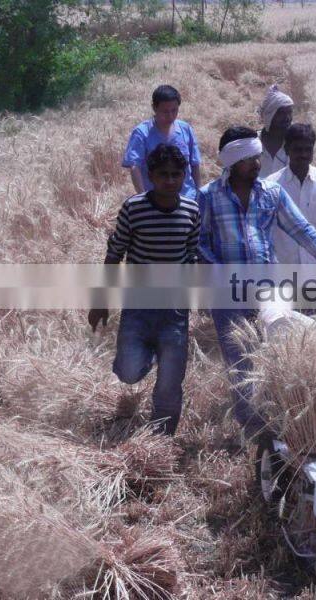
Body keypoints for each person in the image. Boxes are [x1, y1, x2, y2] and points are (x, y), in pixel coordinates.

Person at [197, 126, 316, 439]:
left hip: (269, 288)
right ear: (232, 162)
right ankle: (255, 433)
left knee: (278, 350)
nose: (257, 163)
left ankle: (282, 422)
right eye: (250, 159)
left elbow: (302, 230)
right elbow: (198, 241)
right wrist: (217, 268)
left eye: (257, 157)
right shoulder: (208, 197)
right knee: (241, 363)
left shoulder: (272, 194)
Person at [89, 144, 201, 436]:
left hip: (174, 309)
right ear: (150, 176)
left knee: (170, 382)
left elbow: (191, 256)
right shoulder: (134, 208)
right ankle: (149, 355)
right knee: (127, 372)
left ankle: (161, 440)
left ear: (184, 175)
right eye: (163, 174)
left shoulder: (191, 210)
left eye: (176, 174)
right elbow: (114, 255)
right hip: (138, 305)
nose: (169, 180)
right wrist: (101, 300)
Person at [266, 123, 316, 264]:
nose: (304, 155)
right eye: (298, 150)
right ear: (287, 150)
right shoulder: (272, 185)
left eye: (308, 150)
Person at [122, 84, 202, 200]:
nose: (170, 116)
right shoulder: (142, 133)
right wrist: (143, 198)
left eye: (174, 110)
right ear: (154, 108)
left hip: (187, 198)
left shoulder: (186, 129)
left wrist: (199, 194)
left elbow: (195, 164)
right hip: (156, 202)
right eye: (165, 111)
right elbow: (135, 167)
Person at [257, 84, 294, 180]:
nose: (287, 118)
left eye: (289, 112)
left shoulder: (295, 145)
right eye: (281, 113)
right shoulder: (253, 143)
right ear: (269, 115)